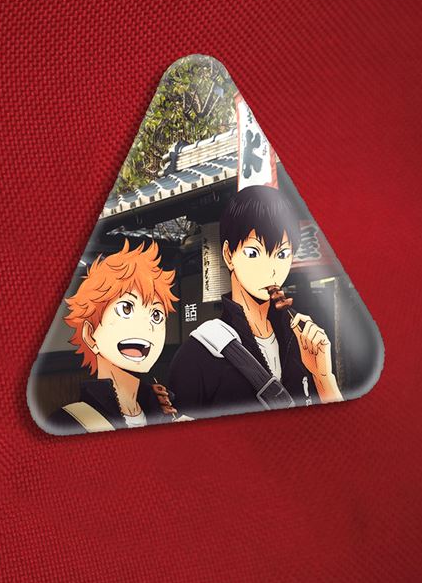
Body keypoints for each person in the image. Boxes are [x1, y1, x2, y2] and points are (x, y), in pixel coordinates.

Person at [168, 185, 343, 417]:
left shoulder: (303, 341)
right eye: (253, 252)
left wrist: (323, 377)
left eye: (282, 254)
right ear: (229, 255)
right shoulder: (197, 355)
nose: (270, 269)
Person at [46, 239, 183, 434]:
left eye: (156, 315)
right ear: (90, 335)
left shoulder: (161, 409)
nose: (146, 327)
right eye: (126, 308)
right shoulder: (67, 423)